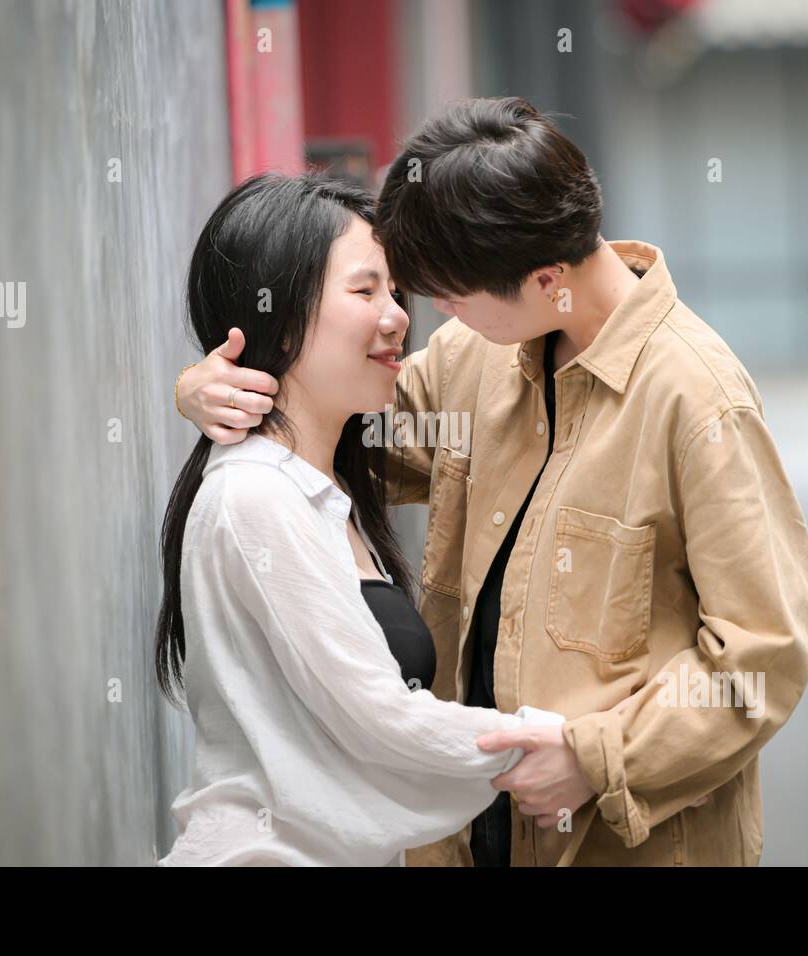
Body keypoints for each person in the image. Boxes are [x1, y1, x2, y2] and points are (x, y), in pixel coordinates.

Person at [176, 97, 808, 867]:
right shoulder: (477, 360)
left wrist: (599, 756)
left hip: (613, 846)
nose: (426, 317)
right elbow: (337, 424)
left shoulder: (697, 401)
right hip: (467, 840)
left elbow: (764, 657)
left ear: (548, 280)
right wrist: (211, 388)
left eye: (448, 296)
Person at [154, 171, 566, 867]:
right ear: (280, 319)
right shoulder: (256, 495)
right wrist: (561, 746)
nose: (400, 313)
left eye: (393, 290)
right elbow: (382, 722)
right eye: (364, 289)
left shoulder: (325, 484)